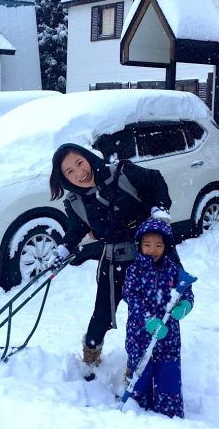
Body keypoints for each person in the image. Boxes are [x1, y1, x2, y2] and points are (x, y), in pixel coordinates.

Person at [48, 143, 172, 381]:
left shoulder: (122, 173)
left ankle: (140, 363)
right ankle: (90, 357)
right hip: (113, 259)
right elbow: (77, 230)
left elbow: (155, 181)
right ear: (64, 179)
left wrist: (159, 207)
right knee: (102, 315)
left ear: (88, 158)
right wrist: (64, 248)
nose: (79, 173)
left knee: (146, 314)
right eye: (69, 172)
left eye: (79, 163)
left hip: (145, 258)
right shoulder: (75, 202)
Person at [122, 218, 194, 418]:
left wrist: (185, 305)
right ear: (139, 245)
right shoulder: (134, 271)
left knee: (168, 373)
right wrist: (148, 320)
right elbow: (131, 296)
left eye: (158, 245)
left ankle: (168, 411)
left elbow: (187, 291)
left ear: (166, 247)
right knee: (141, 371)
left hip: (168, 335)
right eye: (147, 245)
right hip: (140, 334)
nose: (152, 249)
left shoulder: (172, 270)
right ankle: (137, 409)